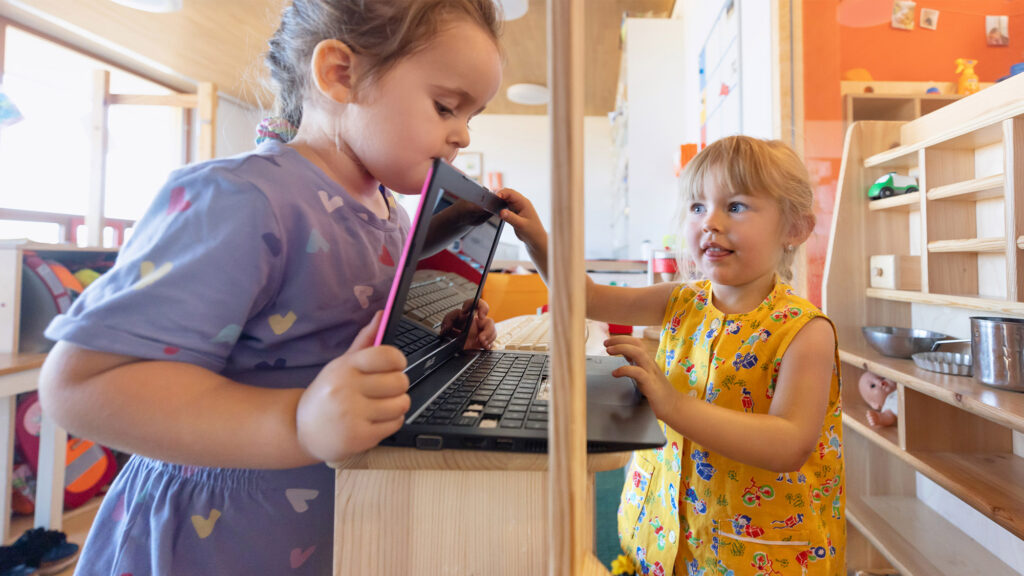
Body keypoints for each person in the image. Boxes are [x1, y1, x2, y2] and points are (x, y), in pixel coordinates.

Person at [38, 1, 502, 573]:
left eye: (469, 118)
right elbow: (82, 385)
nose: (459, 134)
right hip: (217, 539)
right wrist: (298, 421)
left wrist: (436, 336)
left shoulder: (390, 214)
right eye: (445, 106)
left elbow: (339, 349)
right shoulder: (244, 199)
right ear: (340, 73)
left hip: (326, 526)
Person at [499, 135, 845, 575]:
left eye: (735, 206)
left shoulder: (805, 330)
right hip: (667, 533)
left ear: (794, 228)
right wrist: (537, 240)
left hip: (753, 553)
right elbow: (584, 296)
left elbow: (788, 444)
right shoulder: (683, 300)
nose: (710, 222)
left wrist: (673, 403)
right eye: (698, 207)